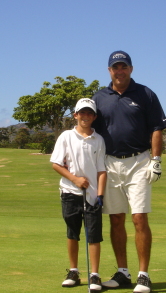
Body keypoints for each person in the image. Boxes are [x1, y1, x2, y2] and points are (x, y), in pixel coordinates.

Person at [92, 51, 166, 293]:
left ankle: (143, 275)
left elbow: (157, 128)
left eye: (124, 67)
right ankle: (123, 272)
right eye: (115, 67)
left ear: (131, 69)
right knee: (115, 218)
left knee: (139, 217)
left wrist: (156, 160)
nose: (120, 71)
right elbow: (90, 131)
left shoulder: (145, 94)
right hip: (110, 163)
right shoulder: (99, 97)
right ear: (109, 71)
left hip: (138, 162)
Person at [50, 98, 107, 292]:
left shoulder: (98, 139)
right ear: (75, 115)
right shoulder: (66, 136)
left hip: (92, 195)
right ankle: (73, 271)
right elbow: (56, 163)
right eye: (82, 112)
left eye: (89, 113)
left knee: (94, 235)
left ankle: (95, 275)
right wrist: (75, 179)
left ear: (94, 117)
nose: (85, 116)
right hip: (70, 192)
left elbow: (101, 170)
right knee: (72, 232)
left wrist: (100, 194)